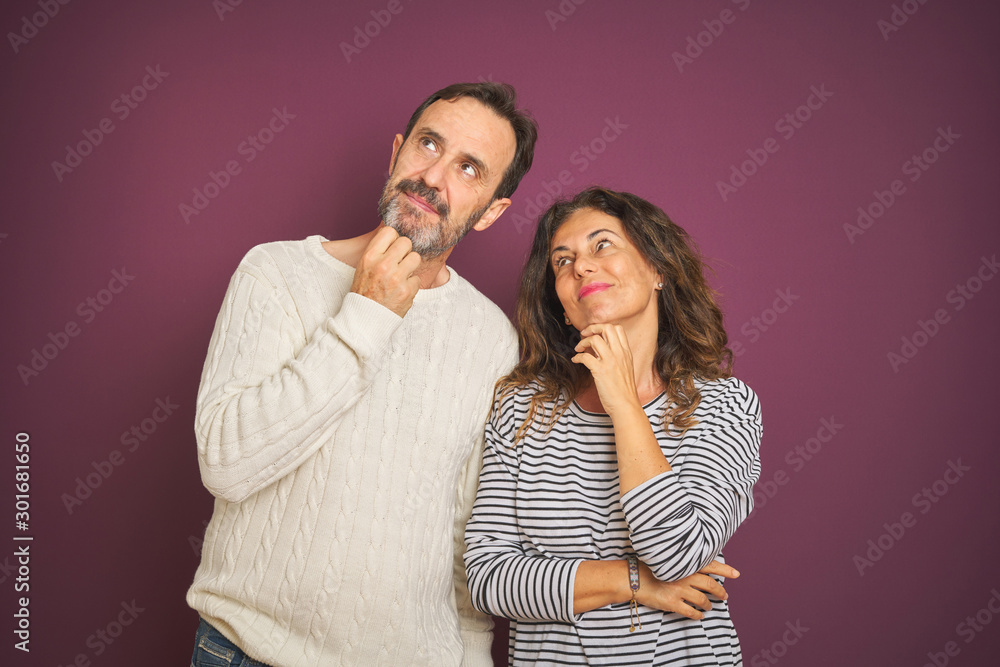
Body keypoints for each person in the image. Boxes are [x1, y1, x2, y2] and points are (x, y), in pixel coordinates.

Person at [186, 82, 538, 666]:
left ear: (491, 211)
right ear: (397, 152)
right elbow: (226, 465)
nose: (433, 177)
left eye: (469, 168)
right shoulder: (274, 273)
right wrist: (366, 316)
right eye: (429, 144)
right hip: (247, 653)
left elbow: (463, 532)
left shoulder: (491, 338)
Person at [464, 187, 761, 666]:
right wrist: (635, 581)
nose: (581, 266)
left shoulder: (725, 406)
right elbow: (488, 579)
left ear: (658, 269)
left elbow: (677, 555)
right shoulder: (520, 408)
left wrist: (623, 401)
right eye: (562, 261)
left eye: (602, 245)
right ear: (563, 306)